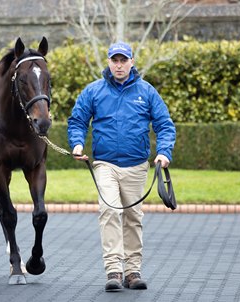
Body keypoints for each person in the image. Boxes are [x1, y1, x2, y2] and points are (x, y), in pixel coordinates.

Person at [67, 41, 176, 292]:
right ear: (108, 62)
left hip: (137, 166)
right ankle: (114, 270)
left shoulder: (147, 91)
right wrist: (77, 145)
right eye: (114, 60)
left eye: (123, 60)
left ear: (132, 62)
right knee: (109, 211)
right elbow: (77, 120)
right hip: (105, 164)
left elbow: (165, 124)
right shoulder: (94, 91)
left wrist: (163, 152)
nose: (119, 65)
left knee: (133, 217)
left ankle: (132, 271)